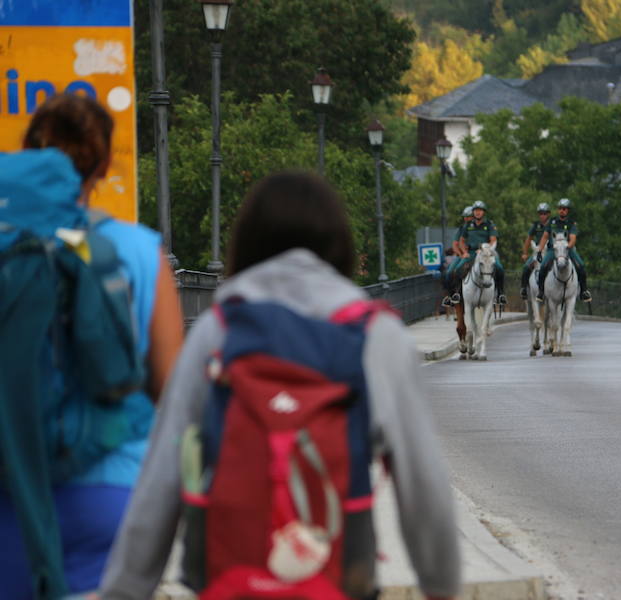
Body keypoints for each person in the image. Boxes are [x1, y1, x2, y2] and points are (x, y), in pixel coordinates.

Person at [99, 171, 461, 600]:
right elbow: (423, 484)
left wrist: (123, 590)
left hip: (229, 580)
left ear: (248, 243)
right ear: (339, 245)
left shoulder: (218, 331)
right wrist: (441, 587)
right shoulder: (378, 337)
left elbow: (162, 475)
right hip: (340, 577)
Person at [0, 94, 184, 597]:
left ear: (29, 152)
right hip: (110, 493)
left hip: (11, 488)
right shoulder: (138, 249)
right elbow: (173, 390)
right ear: (103, 164)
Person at [449, 200, 506, 305]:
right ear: (473, 212)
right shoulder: (468, 225)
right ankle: (456, 294)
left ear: (484, 212)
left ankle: (500, 294)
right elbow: (461, 241)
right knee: (457, 269)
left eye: (480, 210)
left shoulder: (489, 224)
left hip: (486, 253)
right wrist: (464, 252)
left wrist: (485, 248)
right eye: (475, 210)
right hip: (471, 253)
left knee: (500, 268)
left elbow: (493, 240)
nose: (477, 212)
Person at [536, 198, 592, 302]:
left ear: (568, 210)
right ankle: (541, 291)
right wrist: (539, 250)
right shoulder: (552, 222)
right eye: (560, 208)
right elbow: (545, 236)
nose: (562, 210)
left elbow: (573, 239)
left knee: (581, 266)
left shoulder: (571, 223)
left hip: (567, 250)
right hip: (553, 250)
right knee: (543, 266)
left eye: (564, 209)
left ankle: (584, 291)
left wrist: (567, 247)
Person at [441, 206, 473, 307]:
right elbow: (455, 244)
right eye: (465, 217)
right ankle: (452, 295)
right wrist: (461, 254)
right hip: (463, 255)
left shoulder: (481, 228)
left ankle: (497, 293)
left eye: (468, 217)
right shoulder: (461, 229)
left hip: (478, 254)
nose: (466, 219)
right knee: (449, 272)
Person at [520, 202, 551, 299]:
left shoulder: (553, 224)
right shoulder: (536, 225)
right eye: (540, 213)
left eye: (544, 213)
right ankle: (524, 289)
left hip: (550, 251)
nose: (542, 216)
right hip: (537, 250)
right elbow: (528, 239)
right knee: (526, 267)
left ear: (548, 214)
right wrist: (525, 253)